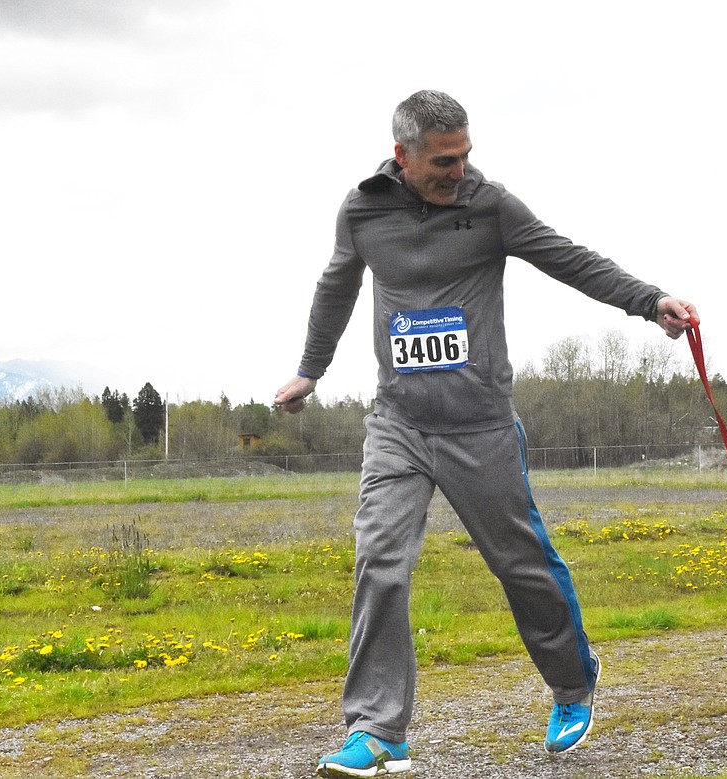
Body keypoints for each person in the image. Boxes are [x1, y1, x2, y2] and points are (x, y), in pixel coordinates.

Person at [275, 90, 699, 778]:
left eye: (466, 154)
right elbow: (336, 287)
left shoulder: (490, 206)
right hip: (398, 424)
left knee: (519, 561)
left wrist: (649, 301)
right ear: (402, 156)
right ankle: (379, 730)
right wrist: (309, 370)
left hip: (481, 425)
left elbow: (569, 256)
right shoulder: (361, 210)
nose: (460, 170)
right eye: (445, 160)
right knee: (379, 561)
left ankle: (572, 681)